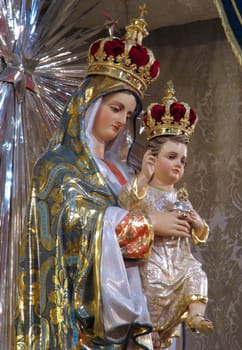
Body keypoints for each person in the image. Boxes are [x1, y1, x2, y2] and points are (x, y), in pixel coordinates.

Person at [15, 8, 192, 350]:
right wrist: (148, 224)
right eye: (115, 108)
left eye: (129, 114)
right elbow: (75, 229)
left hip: (141, 314)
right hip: (82, 325)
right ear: (89, 105)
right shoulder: (57, 166)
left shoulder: (127, 173)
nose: (122, 121)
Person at [118, 81, 214, 349]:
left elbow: (201, 232)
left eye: (182, 160)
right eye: (171, 157)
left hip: (180, 262)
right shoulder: (143, 190)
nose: (178, 165)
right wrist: (143, 177)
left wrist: (197, 223)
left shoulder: (180, 197)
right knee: (154, 290)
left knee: (197, 273)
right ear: (152, 158)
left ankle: (196, 316)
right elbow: (128, 202)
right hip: (154, 264)